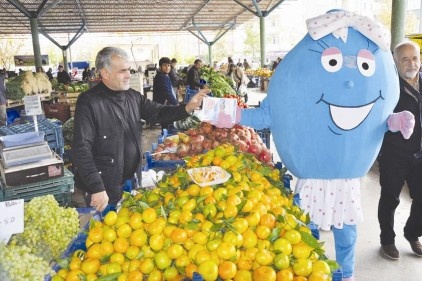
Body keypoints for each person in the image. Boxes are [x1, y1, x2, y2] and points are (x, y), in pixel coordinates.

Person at [214, 10, 415, 281]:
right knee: (307, 228)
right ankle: (310, 270)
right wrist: (231, 114)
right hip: (313, 179)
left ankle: (345, 273)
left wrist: (395, 121)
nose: (349, 81)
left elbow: (378, 118)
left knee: (346, 228)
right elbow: (269, 113)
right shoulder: (295, 77)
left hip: (346, 178)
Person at [71, 47, 208, 212]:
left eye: (128, 69)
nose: (129, 74)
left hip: (130, 181)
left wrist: (186, 108)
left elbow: (158, 112)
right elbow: (81, 148)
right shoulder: (89, 102)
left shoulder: (132, 96)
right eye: (122, 71)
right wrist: (96, 187)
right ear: (105, 73)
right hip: (104, 188)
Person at [378, 41, 422, 260]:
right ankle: (387, 239)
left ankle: (412, 233)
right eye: (404, 59)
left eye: (414, 57)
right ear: (395, 62)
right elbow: (376, 119)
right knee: (390, 198)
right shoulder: (387, 87)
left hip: (420, 154)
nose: (411, 63)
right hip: (394, 154)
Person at [153, 57, 179, 131]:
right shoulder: (161, 77)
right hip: (163, 105)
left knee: (166, 125)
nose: (167, 67)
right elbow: (167, 93)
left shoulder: (164, 75)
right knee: (166, 125)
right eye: (164, 65)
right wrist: (176, 103)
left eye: (169, 65)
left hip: (165, 105)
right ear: (160, 66)